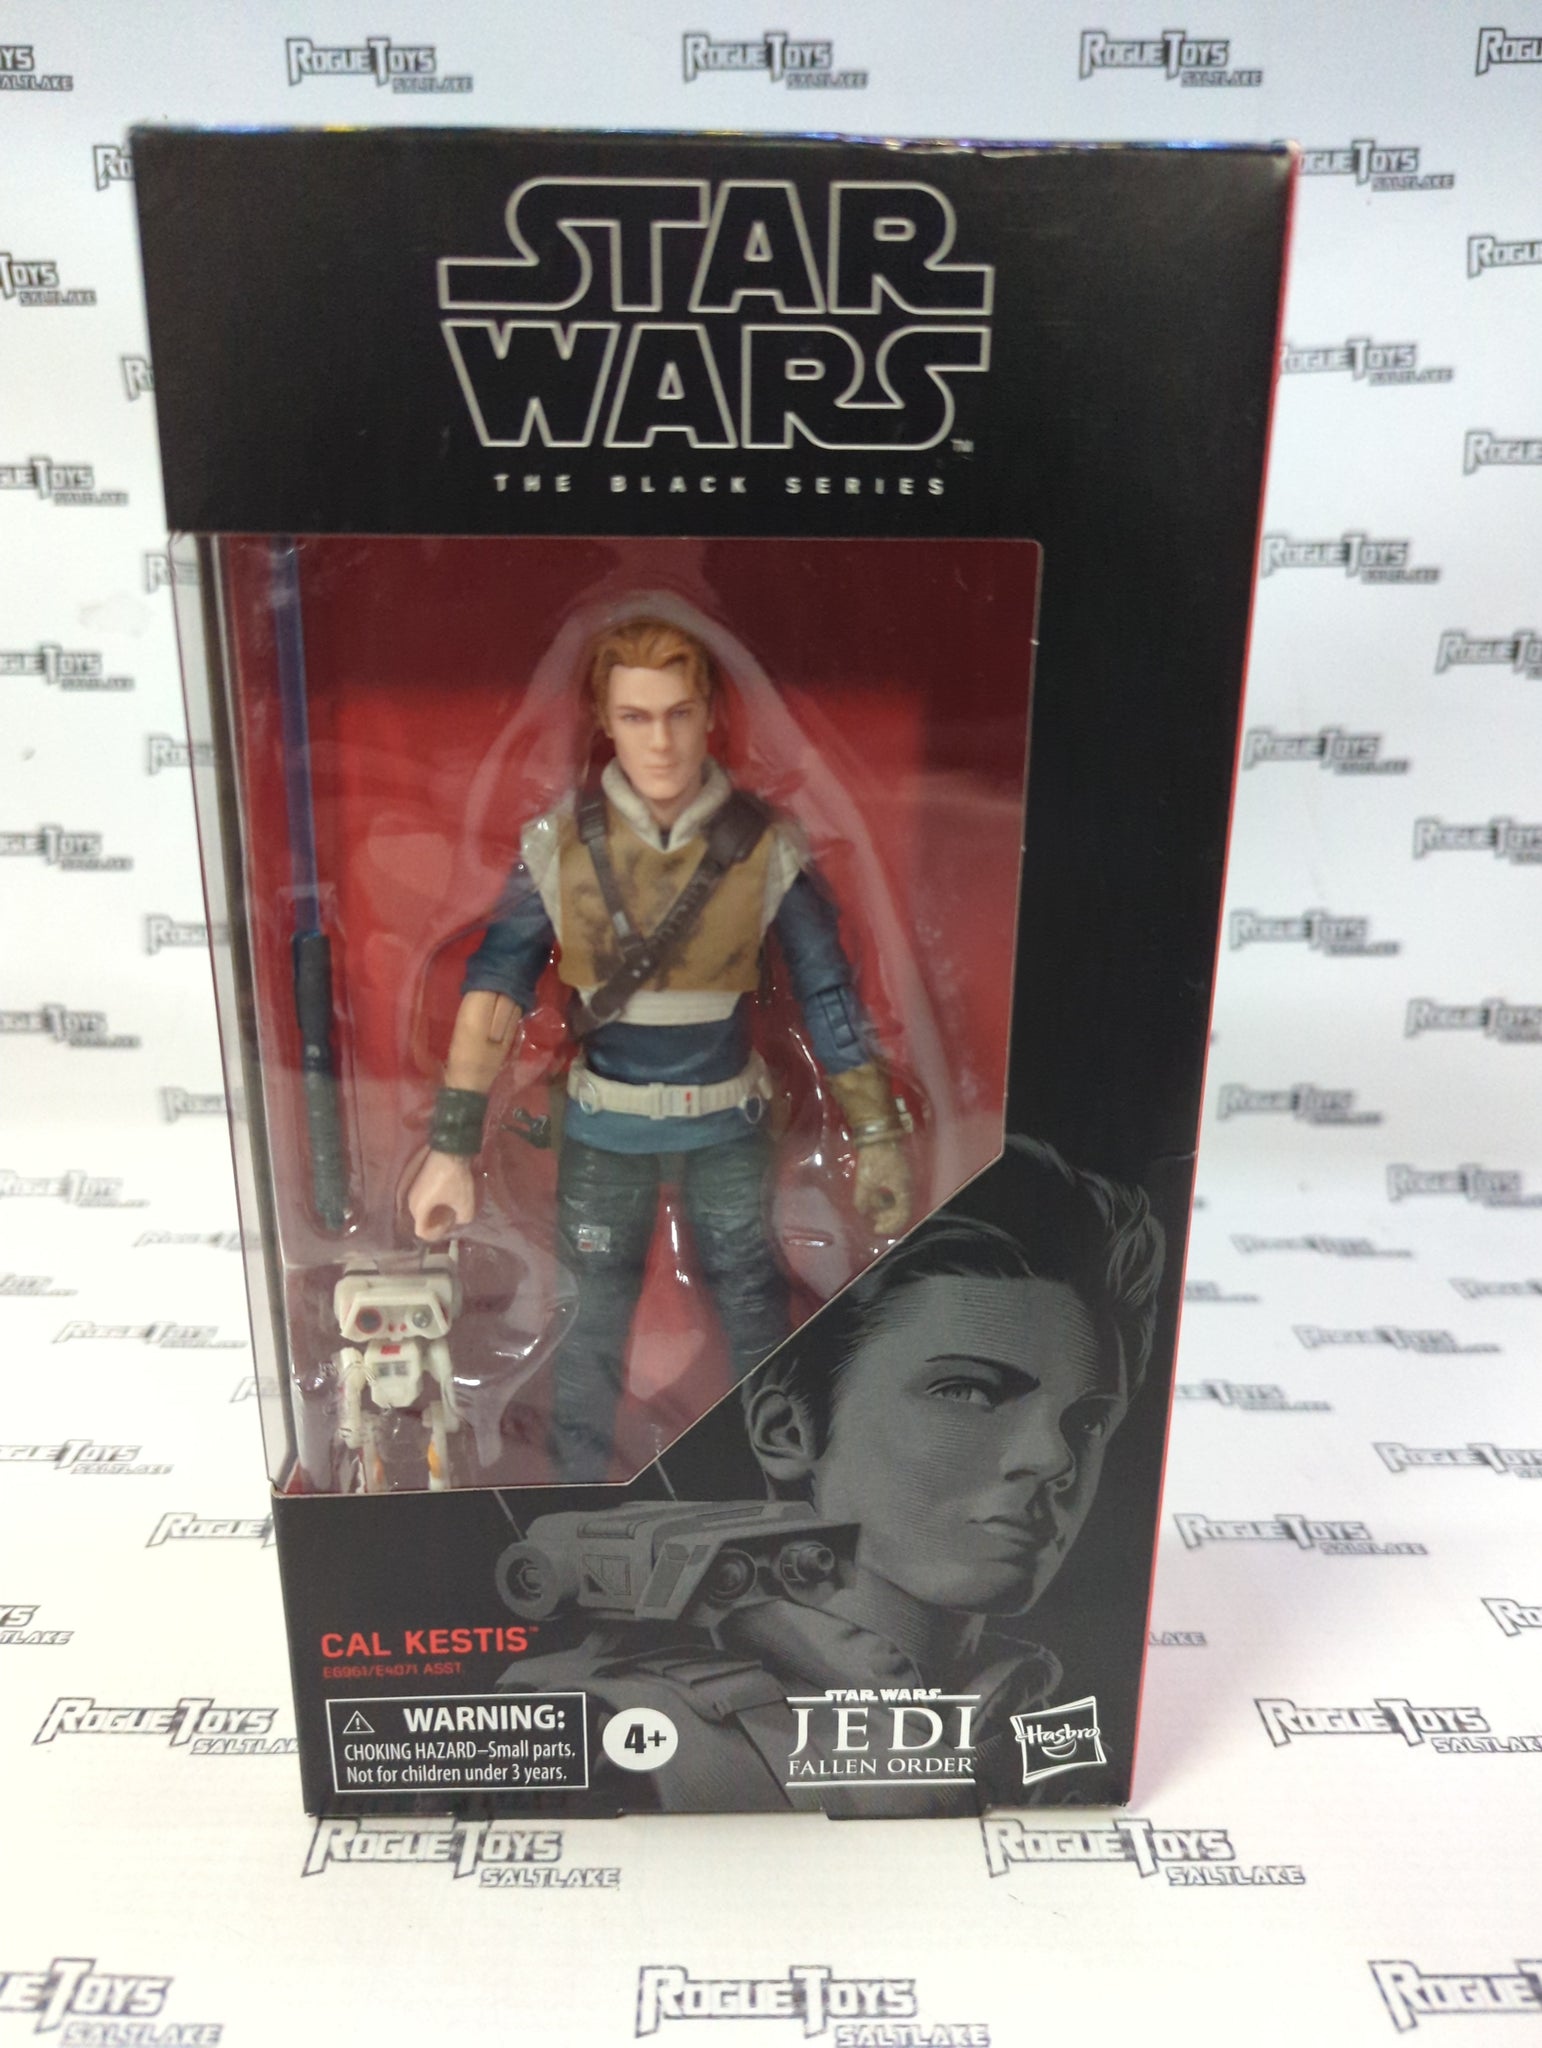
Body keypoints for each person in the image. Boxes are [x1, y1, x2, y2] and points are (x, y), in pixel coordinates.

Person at [495, 1139, 1165, 1812]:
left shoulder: (1046, 1723)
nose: (1053, 1458)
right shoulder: (629, 1731)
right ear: (788, 1431)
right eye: (967, 1392)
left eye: (1087, 1421)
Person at [407, 616, 912, 1480]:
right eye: (636, 717)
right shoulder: (559, 845)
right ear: (606, 721)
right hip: (605, 1129)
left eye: (678, 714)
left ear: (710, 713)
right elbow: (494, 993)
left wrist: (875, 1134)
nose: (662, 741)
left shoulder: (766, 845)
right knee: (590, 1326)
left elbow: (829, 993)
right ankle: (574, 1502)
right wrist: (451, 1148)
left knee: (754, 1314)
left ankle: (777, 1491)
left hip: (729, 1127)